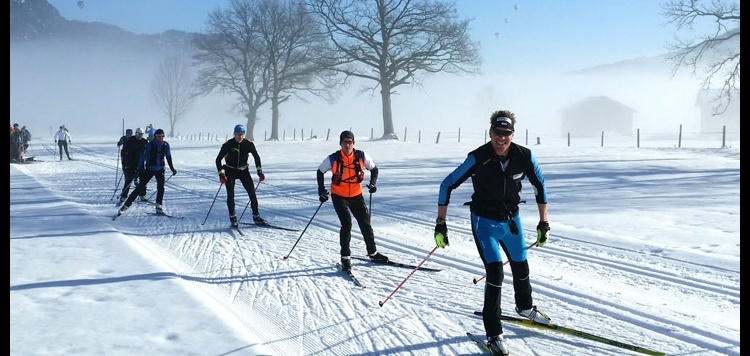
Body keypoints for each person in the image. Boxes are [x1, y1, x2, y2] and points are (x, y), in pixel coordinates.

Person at [434, 110, 551, 356]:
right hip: (484, 222)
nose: (501, 139)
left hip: (511, 222)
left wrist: (543, 223)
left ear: (512, 135)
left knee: (521, 267)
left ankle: (525, 308)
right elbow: (447, 184)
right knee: (495, 272)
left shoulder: (524, 157)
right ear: (490, 133)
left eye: (506, 134)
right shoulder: (478, 157)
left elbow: (540, 186)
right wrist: (440, 223)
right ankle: (494, 334)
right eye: (497, 133)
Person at [316, 130, 388, 272]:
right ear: (341, 144)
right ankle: (345, 257)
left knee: (365, 223)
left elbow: (374, 169)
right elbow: (320, 171)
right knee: (347, 223)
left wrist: (373, 183)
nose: (347, 145)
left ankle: (373, 253)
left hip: (356, 195)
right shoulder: (333, 158)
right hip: (339, 195)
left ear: (353, 143)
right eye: (344, 143)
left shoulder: (361, 156)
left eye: (350, 142)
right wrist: (321, 191)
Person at [214, 124, 267, 228]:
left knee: (252, 193)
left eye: (242, 134)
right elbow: (218, 160)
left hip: (243, 171)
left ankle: (256, 216)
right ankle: (233, 217)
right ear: (234, 134)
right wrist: (221, 174)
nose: (240, 137)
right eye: (238, 134)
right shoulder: (228, 144)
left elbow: (256, 157)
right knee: (231, 194)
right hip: (230, 171)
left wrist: (259, 171)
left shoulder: (248, 144)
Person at [118, 129, 177, 216]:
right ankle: (125, 206)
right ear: (155, 137)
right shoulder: (150, 145)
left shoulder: (165, 145)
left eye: (162, 136)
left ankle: (159, 207)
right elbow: (143, 157)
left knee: (161, 188)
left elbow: (168, 157)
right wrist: (139, 168)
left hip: (160, 169)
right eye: (159, 136)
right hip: (150, 169)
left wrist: (172, 168)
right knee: (140, 187)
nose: (161, 138)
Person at [119, 127, 148, 203]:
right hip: (131, 164)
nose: (140, 136)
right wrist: (125, 164)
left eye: (141, 134)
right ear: (136, 133)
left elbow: (148, 153)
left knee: (143, 181)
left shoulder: (144, 142)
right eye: (139, 134)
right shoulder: (130, 141)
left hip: (141, 164)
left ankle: (142, 195)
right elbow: (125, 153)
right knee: (128, 180)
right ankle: (123, 196)